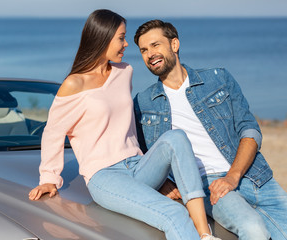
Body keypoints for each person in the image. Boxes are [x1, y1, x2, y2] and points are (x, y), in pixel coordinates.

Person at [29, 9, 222, 240]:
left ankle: (205, 234)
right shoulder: (75, 83)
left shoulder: (124, 72)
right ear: (103, 37)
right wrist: (49, 178)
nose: (126, 44)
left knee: (176, 137)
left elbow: (128, 125)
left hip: (138, 164)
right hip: (105, 175)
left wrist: (160, 178)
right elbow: (53, 132)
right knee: (172, 213)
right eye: (121, 37)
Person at [133, 19, 287, 240]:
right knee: (254, 229)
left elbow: (249, 130)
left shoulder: (218, 79)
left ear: (174, 45)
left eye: (156, 45)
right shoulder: (143, 102)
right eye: (143, 50)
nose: (150, 54)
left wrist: (233, 176)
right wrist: (162, 183)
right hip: (207, 184)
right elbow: (138, 153)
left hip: (253, 175)